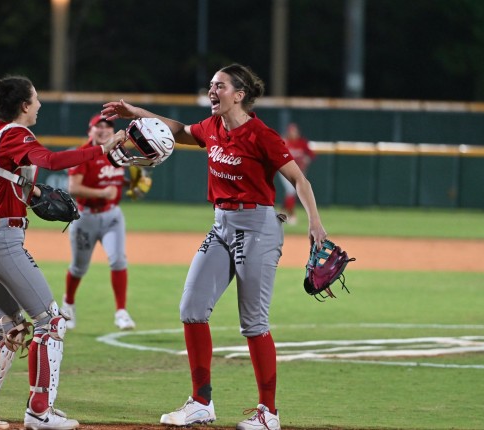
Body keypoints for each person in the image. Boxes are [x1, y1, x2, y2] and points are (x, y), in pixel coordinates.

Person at [102, 63, 328, 430]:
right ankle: (201, 403)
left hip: (258, 228)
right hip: (222, 225)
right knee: (191, 308)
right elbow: (173, 130)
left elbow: (299, 179)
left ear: (239, 95)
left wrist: (315, 224)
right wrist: (135, 113)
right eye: (210, 85)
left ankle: (269, 414)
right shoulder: (211, 128)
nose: (212, 91)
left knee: (253, 322)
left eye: (219, 86)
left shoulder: (261, 136)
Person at [0, 74, 124, 430]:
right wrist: (103, 149)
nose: (40, 104)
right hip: (2, 241)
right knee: (51, 322)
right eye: (36, 98)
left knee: (9, 329)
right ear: (24, 105)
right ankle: (39, 412)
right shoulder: (17, 134)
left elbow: (8, 178)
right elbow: (49, 160)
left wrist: (31, 194)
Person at [61, 114, 136, 331]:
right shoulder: (83, 153)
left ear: (113, 132)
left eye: (108, 127)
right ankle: (69, 305)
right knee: (79, 267)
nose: (103, 130)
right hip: (85, 217)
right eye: (98, 126)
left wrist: (133, 185)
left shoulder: (119, 151)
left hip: (112, 216)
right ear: (90, 131)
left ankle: (121, 312)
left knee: (118, 261)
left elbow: (117, 179)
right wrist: (103, 192)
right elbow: (73, 188)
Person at [276, 122, 316, 224]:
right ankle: (291, 215)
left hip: (299, 171)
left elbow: (311, 154)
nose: (293, 133)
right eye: (291, 132)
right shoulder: (284, 142)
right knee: (291, 190)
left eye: (295, 131)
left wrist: (307, 159)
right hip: (285, 171)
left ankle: (282, 212)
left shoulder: (302, 143)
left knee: (292, 191)